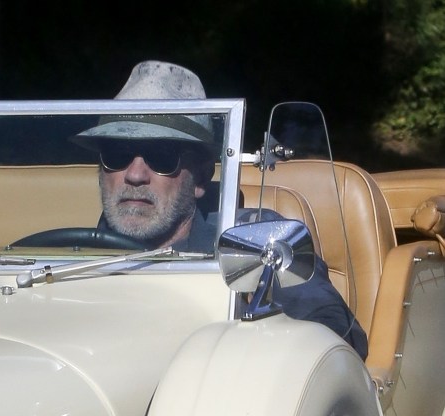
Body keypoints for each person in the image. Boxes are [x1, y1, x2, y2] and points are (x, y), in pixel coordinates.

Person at [71, 60, 369, 359]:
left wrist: (259, 332)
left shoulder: (258, 245)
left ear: (200, 178)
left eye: (162, 157)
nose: (135, 175)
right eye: (116, 154)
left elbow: (335, 341)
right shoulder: (66, 262)